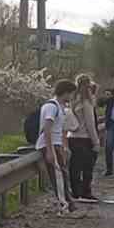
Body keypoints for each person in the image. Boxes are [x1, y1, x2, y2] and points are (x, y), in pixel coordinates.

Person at [36, 78, 83, 217]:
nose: (71, 97)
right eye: (71, 94)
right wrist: (50, 151)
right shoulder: (52, 107)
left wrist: (63, 146)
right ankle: (64, 206)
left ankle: (69, 204)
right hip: (49, 145)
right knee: (58, 177)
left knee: (62, 174)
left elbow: (60, 129)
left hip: (56, 145)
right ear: (65, 93)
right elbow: (47, 129)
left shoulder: (60, 107)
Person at [67, 77, 100, 203]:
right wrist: (96, 142)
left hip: (72, 137)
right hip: (84, 138)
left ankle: (75, 192)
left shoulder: (73, 101)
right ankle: (86, 192)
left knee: (74, 167)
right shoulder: (86, 103)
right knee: (87, 167)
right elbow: (90, 124)